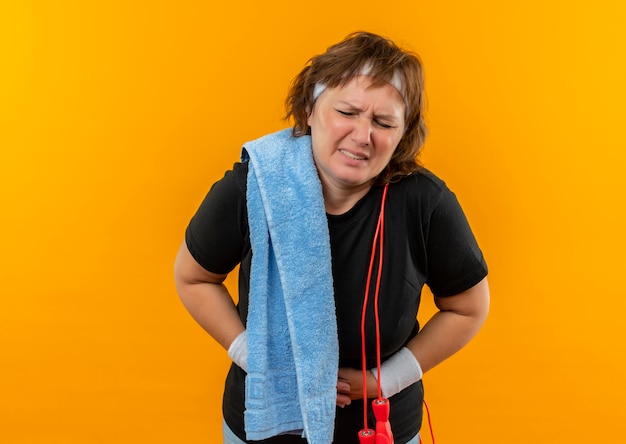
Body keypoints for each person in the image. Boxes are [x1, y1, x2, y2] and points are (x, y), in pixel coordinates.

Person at [174, 31, 490, 444]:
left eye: (383, 122)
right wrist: (258, 358)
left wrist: (383, 381)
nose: (363, 135)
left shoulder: (425, 202)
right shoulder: (256, 184)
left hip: (380, 425)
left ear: (401, 136)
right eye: (347, 111)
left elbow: (468, 308)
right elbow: (193, 277)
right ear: (309, 108)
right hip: (267, 424)